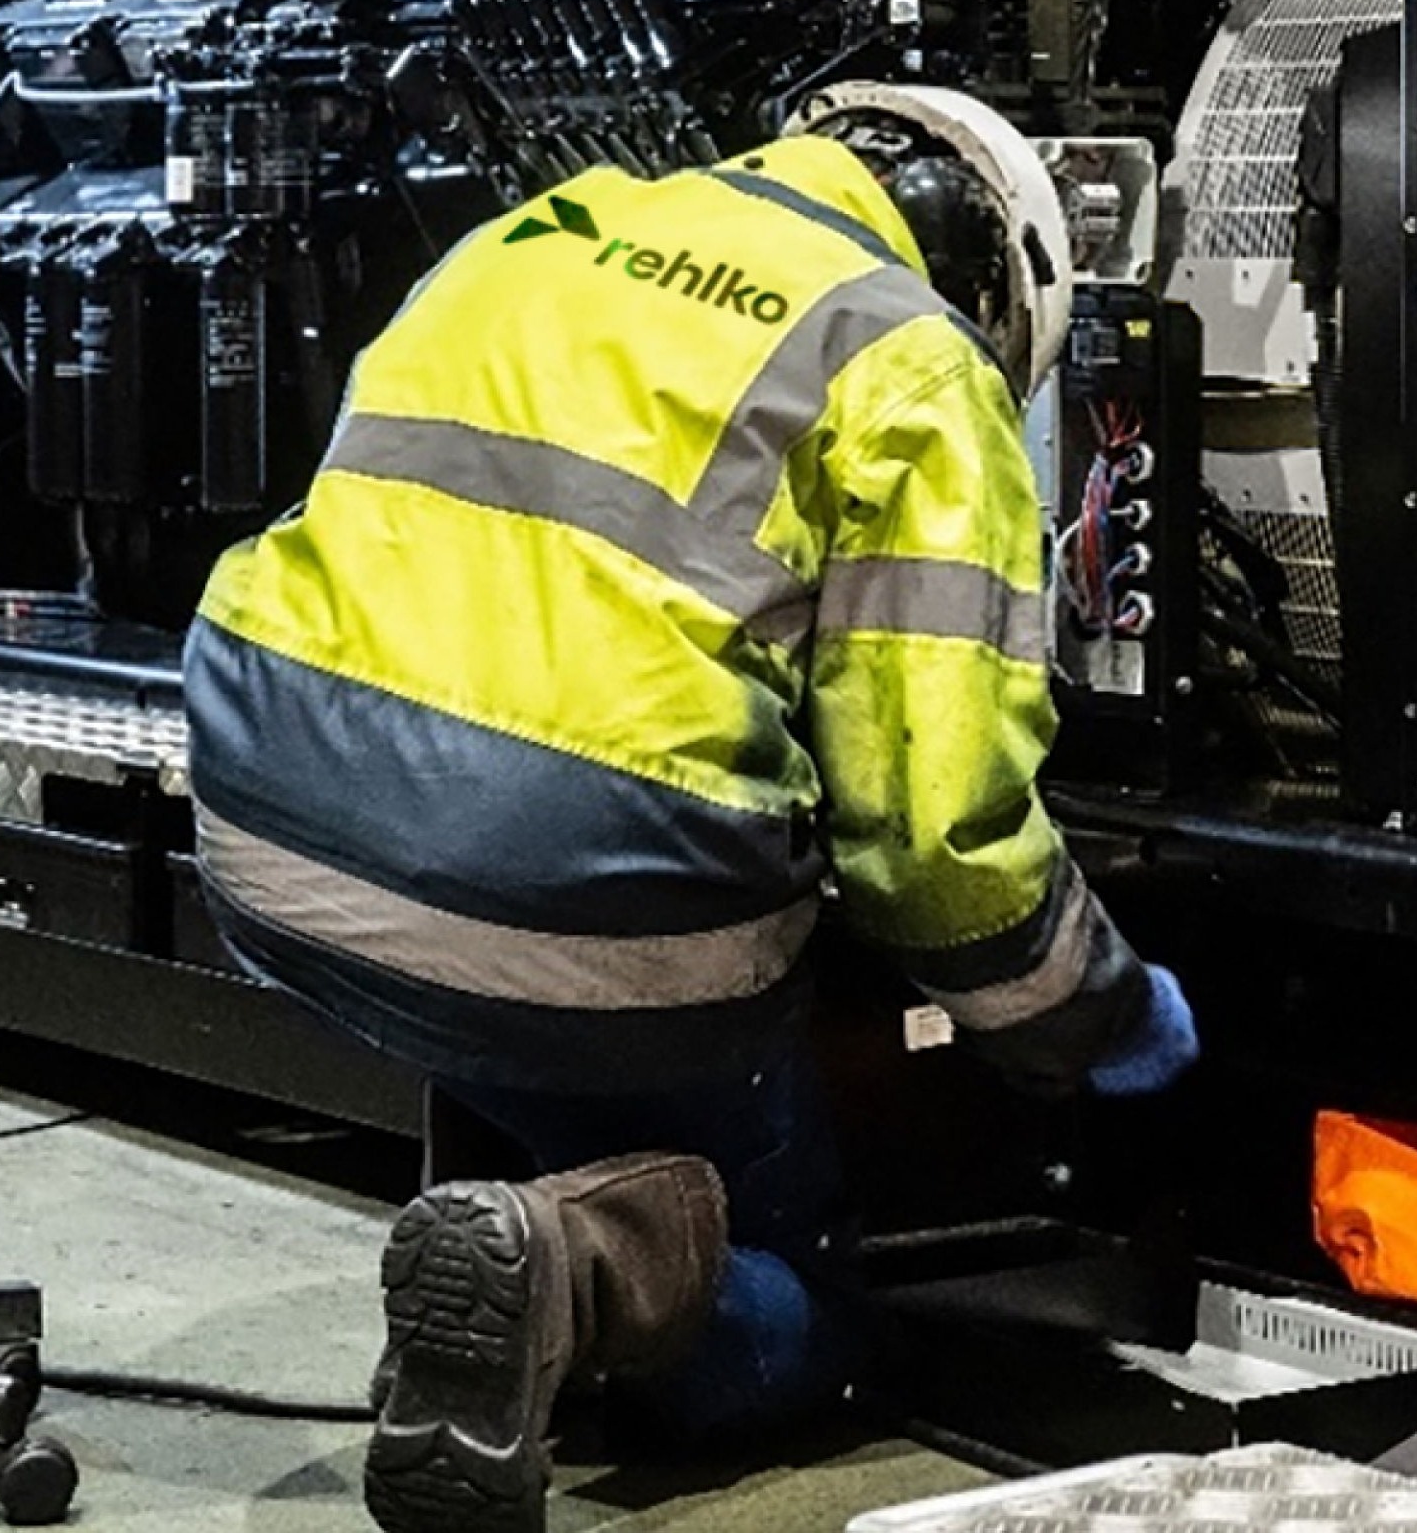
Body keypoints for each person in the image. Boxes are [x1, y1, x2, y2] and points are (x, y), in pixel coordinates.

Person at [182, 82, 1199, 1533]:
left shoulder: (537, 236)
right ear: (990, 275)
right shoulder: (908, 354)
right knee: (814, 1315)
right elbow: (934, 843)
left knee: (518, 1039)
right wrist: (1101, 1015)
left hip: (270, 829)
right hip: (569, 903)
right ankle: (577, 1275)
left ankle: (493, 1270)